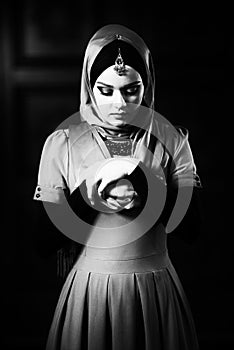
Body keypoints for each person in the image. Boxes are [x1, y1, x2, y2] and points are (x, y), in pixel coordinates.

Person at [33, 24, 202, 350]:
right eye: (105, 90)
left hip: (155, 289)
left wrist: (148, 187)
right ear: (88, 88)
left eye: (131, 90)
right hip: (92, 291)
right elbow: (42, 241)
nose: (119, 103)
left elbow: (193, 229)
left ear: (147, 85)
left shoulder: (171, 139)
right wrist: (87, 197)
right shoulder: (64, 144)